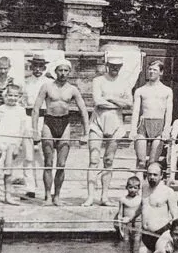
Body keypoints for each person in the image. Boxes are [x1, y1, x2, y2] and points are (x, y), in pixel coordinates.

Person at [32, 59, 90, 205]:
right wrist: (34, 130)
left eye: (66, 70)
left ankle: (57, 196)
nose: (63, 73)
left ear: (69, 72)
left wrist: (86, 133)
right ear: (55, 71)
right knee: (48, 162)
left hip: (64, 124)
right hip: (49, 123)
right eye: (60, 70)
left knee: (61, 164)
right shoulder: (46, 86)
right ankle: (47, 196)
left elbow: (83, 110)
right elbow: (36, 108)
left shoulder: (72, 89)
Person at [86, 56, 132, 206]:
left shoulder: (124, 82)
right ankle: (90, 196)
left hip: (116, 123)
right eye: (112, 65)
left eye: (118, 66)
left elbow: (129, 104)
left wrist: (110, 98)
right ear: (107, 65)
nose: (115, 68)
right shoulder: (98, 80)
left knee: (108, 160)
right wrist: (119, 103)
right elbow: (97, 102)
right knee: (93, 160)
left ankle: (104, 196)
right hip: (98, 122)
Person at [0, 84, 32, 205]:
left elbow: (22, 129)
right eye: (10, 95)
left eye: (15, 96)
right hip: (0, 142)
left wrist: (18, 145)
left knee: (9, 172)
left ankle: (8, 196)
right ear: (5, 95)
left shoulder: (21, 110)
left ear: (19, 97)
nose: (12, 98)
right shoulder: (0, 109)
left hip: (13, 143)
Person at [131, 60, 173, 175]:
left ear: (161, 72)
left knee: (153, 162)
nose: (151, 72)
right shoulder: (140, 90)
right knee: (141, 161)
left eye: (155, 70)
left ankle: (149, 189)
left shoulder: (167, 91)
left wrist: (166, 130)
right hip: (143, 125)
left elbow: (168, 112)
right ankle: (138, 187)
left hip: (159, 125)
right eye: (150, 69)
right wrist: (133, 130)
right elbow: (135, 112)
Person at [137, 162, 178, 253]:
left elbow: (175, 216)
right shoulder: (143, 188)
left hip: (162, 233)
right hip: (145, 234)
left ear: (161, 176)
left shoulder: (168, 192)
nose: (152, 177)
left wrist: (176, 236)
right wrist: (130, 218)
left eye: (155, 175)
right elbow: (141, 207)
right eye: (149, 174)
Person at [22, 55, 49, 197]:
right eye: (35, 66)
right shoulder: (25, 83)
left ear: (44, 68)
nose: (38, 69)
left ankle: (47, 189)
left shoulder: (50, 83)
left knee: (45, 155)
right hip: (28, 117)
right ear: (31, 67)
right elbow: (22, 102)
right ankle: (30, 188)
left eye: (40, 66)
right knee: (28, 155)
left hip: (44, 118)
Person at [113, 176, 142, 241]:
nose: (132, 190)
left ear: (139, 189)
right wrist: (120, 229)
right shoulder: (123, 199)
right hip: (126, 223)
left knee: (137, 240)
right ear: (126, 187)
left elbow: (141, 212)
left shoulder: (140, 199)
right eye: (130, 187)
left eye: (135, 188)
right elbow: (120, 214)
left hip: (137, 223)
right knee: (126, 240)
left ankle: (135, 251)